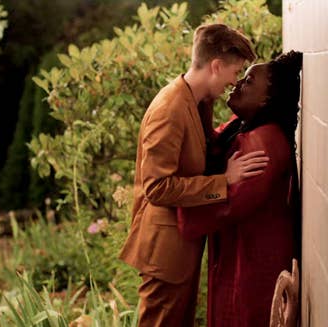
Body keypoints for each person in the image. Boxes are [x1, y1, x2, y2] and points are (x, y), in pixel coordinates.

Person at [118, 24, 269, 327]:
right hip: (164, 252)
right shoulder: (169, 109)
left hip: (181, 246)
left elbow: (200, 149)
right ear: (216, 66)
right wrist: (224, 181)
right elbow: (157, 188)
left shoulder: (197, 100)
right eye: (234, 71)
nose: (234, 81)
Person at [178, 51, 304, 327]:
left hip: (253, 261)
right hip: (239, 251)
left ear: (266, 99)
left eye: (248, 82)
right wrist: (205, 99)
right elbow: (212, 143)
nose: (237, 84)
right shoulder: (242, 126)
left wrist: (182, 204)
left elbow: (230, 205)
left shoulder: (262, 144)